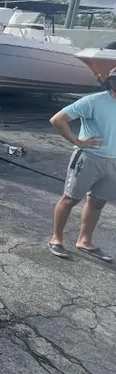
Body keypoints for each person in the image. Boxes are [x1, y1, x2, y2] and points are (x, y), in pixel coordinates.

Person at [49, 68, 116, 260]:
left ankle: (84, 241)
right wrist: (77, 142)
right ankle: (56, 239)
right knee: (70, 199)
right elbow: (58, 120)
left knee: (97, 202)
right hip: (88, 158)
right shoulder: (94, 101)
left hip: (113, 162)